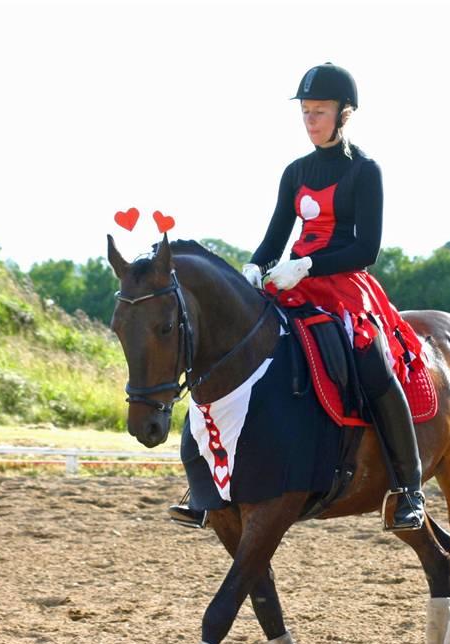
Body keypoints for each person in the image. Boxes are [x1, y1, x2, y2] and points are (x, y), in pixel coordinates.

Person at [170, 62, 425, 530]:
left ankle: (409, 488)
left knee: (372, 363)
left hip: (344, 285)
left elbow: (366, 249)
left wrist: (307, 265)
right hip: (291, 282)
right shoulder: (295, 172)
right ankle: (204, 483)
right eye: (305, 111)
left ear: (344, 113)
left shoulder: (365, 171)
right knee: (233, 352)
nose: (310, 120)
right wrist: (255, 266)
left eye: (319, 111)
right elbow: (274, 238)